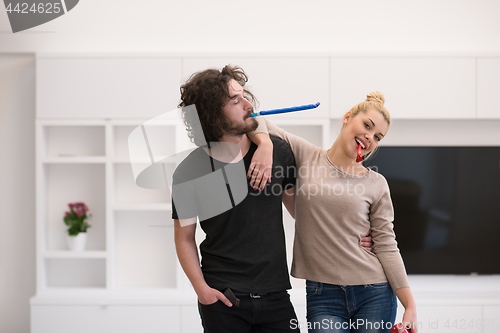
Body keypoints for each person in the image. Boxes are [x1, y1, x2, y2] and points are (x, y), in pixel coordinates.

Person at [250, 92, 418, 333]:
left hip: (375, 292)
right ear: (348, 118)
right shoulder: (307, 155)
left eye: (377, 136)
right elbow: (253, 119)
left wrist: (409, 305)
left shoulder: (377, 183)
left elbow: (386, 244)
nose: (369, 137)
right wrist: (265, 143)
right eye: (367, 125)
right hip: (322, 294)